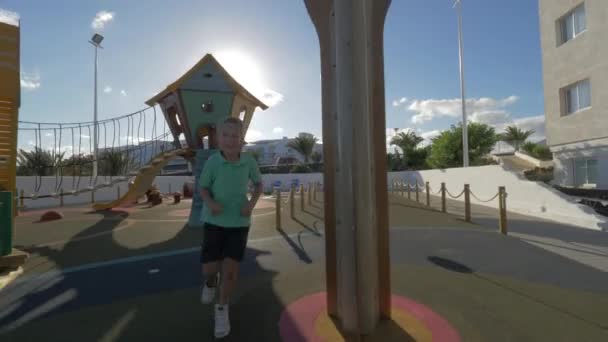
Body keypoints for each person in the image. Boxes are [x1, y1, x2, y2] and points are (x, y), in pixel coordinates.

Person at [198, 117, 263, 339]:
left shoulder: (249, 162)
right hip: (214, 223)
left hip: (239, 224)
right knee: (210, 269)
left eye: (235, 135)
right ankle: (209, 281)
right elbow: (203, 188)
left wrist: (251, 204)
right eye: (225, 134)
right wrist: (211, 203)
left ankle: (222, 308)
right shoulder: (213, 162)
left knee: (231, 271)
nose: (230, 139)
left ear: (242, 139)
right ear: (218, 139)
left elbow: (259, 185)